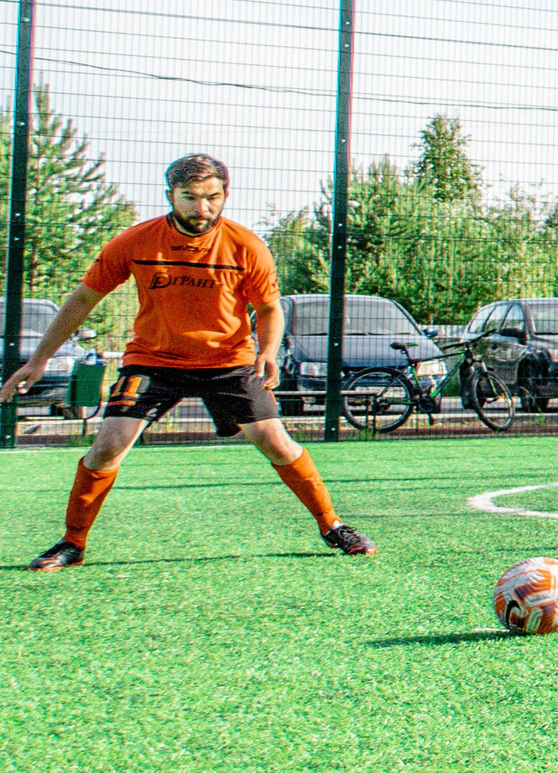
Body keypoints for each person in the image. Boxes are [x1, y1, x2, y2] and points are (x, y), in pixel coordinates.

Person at [4, 154, 373, 570]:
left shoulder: (247, 246)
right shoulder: (135, 241)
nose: (203, 208)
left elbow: (269, 308)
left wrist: (267, 352)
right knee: (107, 447)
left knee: (275, 441)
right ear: (170, 196)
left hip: (230, 361)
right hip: (153, 360)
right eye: (190, 197)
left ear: (225, 194)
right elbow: (84, 298)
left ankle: (332, 525)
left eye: (212, 197)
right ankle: (72, 543)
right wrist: (39, 359)